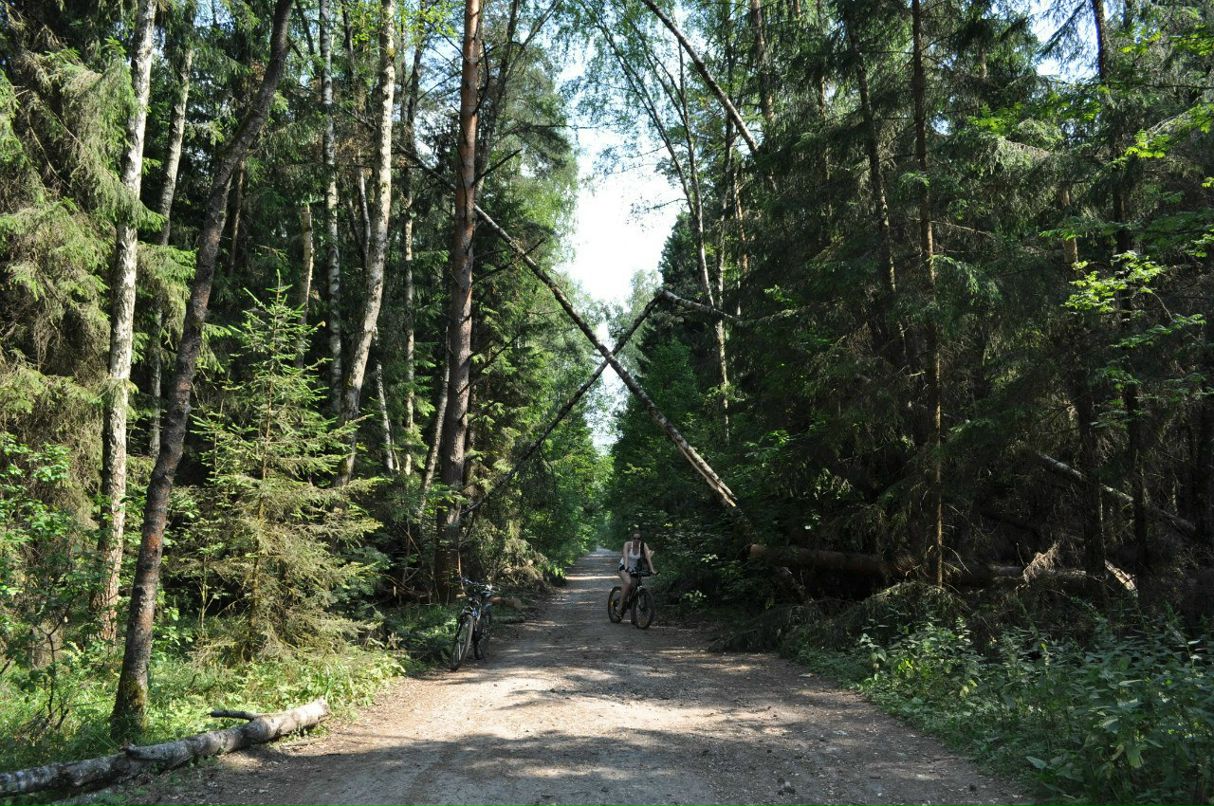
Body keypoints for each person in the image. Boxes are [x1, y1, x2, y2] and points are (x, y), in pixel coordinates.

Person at [617, 528, 656, 614]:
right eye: (634, 538)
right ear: (632, 538)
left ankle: (633, 614)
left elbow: (648, 558)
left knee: (634, 588)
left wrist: (652, 570)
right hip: (624, 566)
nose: (636, 540)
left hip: (634, 568)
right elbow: (625, 556)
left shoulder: (643, 545)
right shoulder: (627, 544)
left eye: (638, 538)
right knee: (628, 582)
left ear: (640, 539)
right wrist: (626, 567)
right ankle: (620, 605)